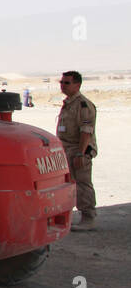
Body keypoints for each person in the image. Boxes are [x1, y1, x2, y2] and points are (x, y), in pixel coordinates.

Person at [56, 71, 98, 230]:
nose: (63, 85)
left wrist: (81, 153)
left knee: (82, 183)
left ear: (77, 85)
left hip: (78, 149)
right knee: (70, 184)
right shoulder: (69, 104)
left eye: (67, 83)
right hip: (66, 148)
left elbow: (86, 132)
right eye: (61, 82)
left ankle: (88, 217)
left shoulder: (83, 105)